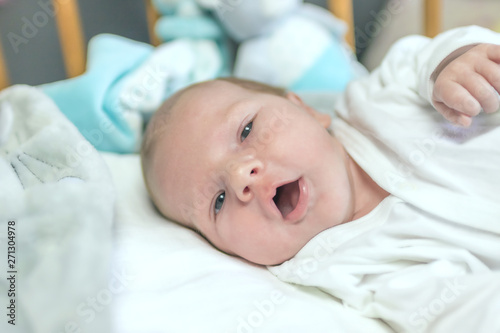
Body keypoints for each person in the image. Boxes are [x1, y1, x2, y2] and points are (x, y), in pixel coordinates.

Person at [141, 25, 500, 331]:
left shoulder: (375, 102)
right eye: (217, 202)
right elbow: (458, 307)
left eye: (247, 130)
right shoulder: (346, 268)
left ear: (306, 109)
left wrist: (456, 62)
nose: (241, 177)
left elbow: (419, 56)